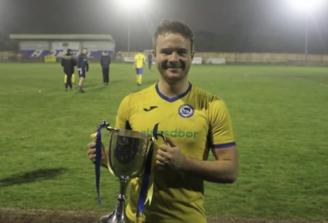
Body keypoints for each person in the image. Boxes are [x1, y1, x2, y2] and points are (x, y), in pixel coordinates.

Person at [87, 20, 239, 223]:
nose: (173, 58)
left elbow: (230, 170)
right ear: (154, 56)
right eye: (166, 51)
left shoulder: (212, 105)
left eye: (182, 52)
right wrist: (108, 160)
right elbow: (128, 164)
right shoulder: (130, 103)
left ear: (191, 56)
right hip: (134, 219)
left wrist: (184, 163)